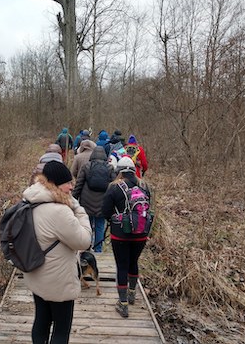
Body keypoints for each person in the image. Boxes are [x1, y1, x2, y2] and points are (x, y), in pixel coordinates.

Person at [22, 161, 92, 343]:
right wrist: (79, 210)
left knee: (41, 321)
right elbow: (84, 241)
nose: (71, 187)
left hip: (37, 274)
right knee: (61, 329)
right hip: (59, 281)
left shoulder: (30, 200)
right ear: (56, 184)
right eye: (68, 183)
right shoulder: (59, 211)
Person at [101, 157, 154, 318]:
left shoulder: (114, 187)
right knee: (133, 262)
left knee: (122, 265)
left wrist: (114, 219)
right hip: (141, 234)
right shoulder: (144, 186)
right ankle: (132, 293)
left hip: (120, 234)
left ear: (119, 171)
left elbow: (105, 211)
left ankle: (123, 303)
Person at [72, 146, 116, 253]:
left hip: (86, 203)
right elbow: (113, 187)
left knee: (87, 226)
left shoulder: (86, 167)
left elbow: (79, 184)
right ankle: (98, 249)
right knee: (100, 226)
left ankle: (87, 248)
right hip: (102, 204)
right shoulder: (110, 168)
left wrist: (73, 199)